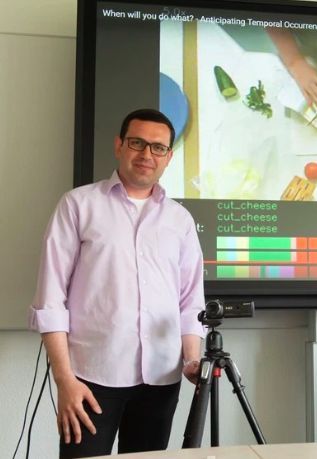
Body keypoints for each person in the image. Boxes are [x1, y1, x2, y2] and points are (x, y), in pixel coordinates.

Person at [29, 109, 206, 458]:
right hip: (90, 379)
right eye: (137, 143)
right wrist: (65, 380)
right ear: (119, 145)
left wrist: (191, 359)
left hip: (160, 380)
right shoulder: (78, 205)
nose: (146, 154)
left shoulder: (180, 220)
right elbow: (50, 300)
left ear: (168, 157)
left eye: (158, 147)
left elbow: (189, 302)